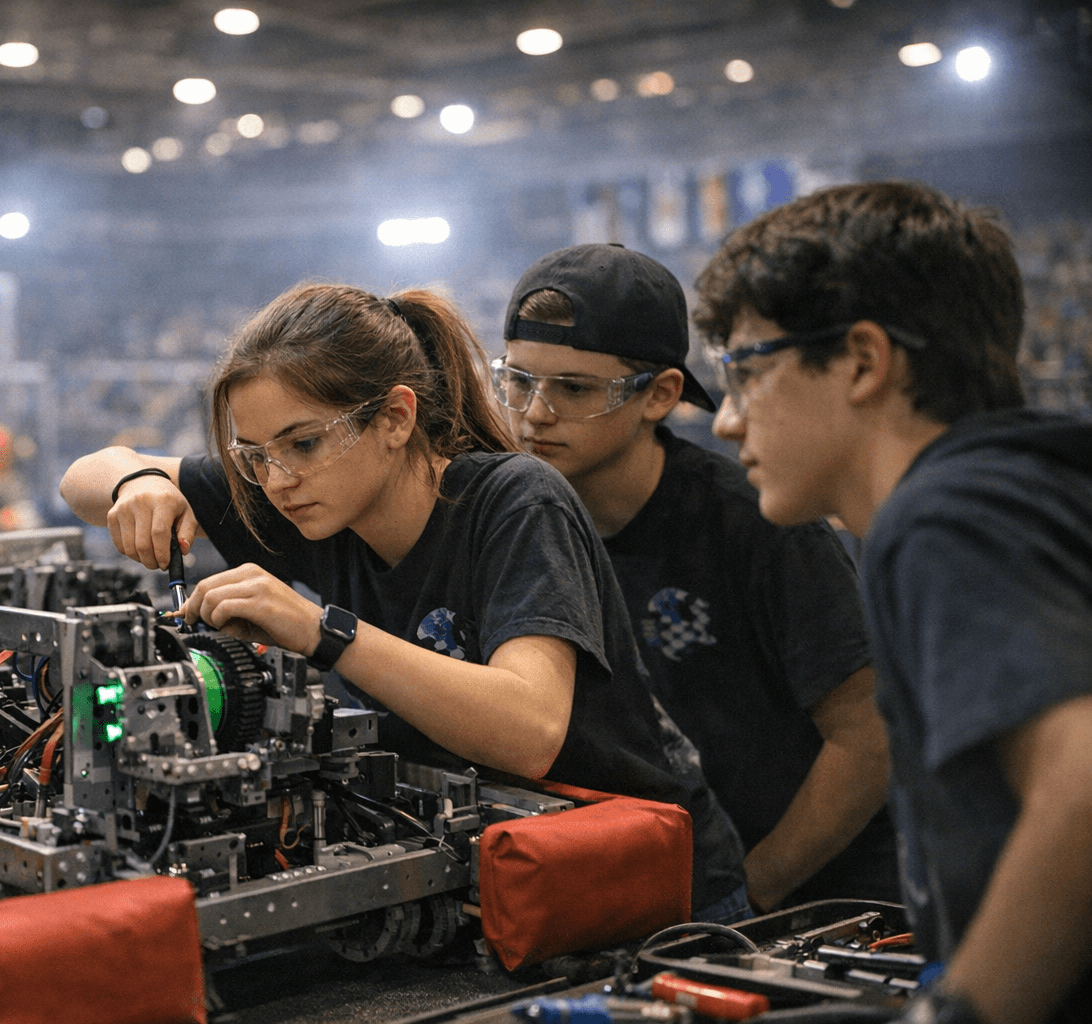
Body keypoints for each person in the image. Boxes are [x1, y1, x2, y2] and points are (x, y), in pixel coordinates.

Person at [60, 282, 748, 921]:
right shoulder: (308, 498)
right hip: (488, 868)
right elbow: (82, 477)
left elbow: (531, 730)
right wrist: (137, 481)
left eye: (302, 443)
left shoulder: (514, 502)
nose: (276, 479)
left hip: (639, 881)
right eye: (254, 455)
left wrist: (320, 631)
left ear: (394, 417)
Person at [695, 181, 1092, 1024]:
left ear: (864, 362)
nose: (727, 420)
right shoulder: (1035, 485)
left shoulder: (944, 517)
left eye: (744, 370)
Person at [496, 243, 898, 914]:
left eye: (573, 388)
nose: (535, 413)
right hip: (651, 894)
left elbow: (870, 734)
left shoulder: (759, 522)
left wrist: (751, 889)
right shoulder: (522, 521)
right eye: (518, 379)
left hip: (817, 903)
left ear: (661, 394)